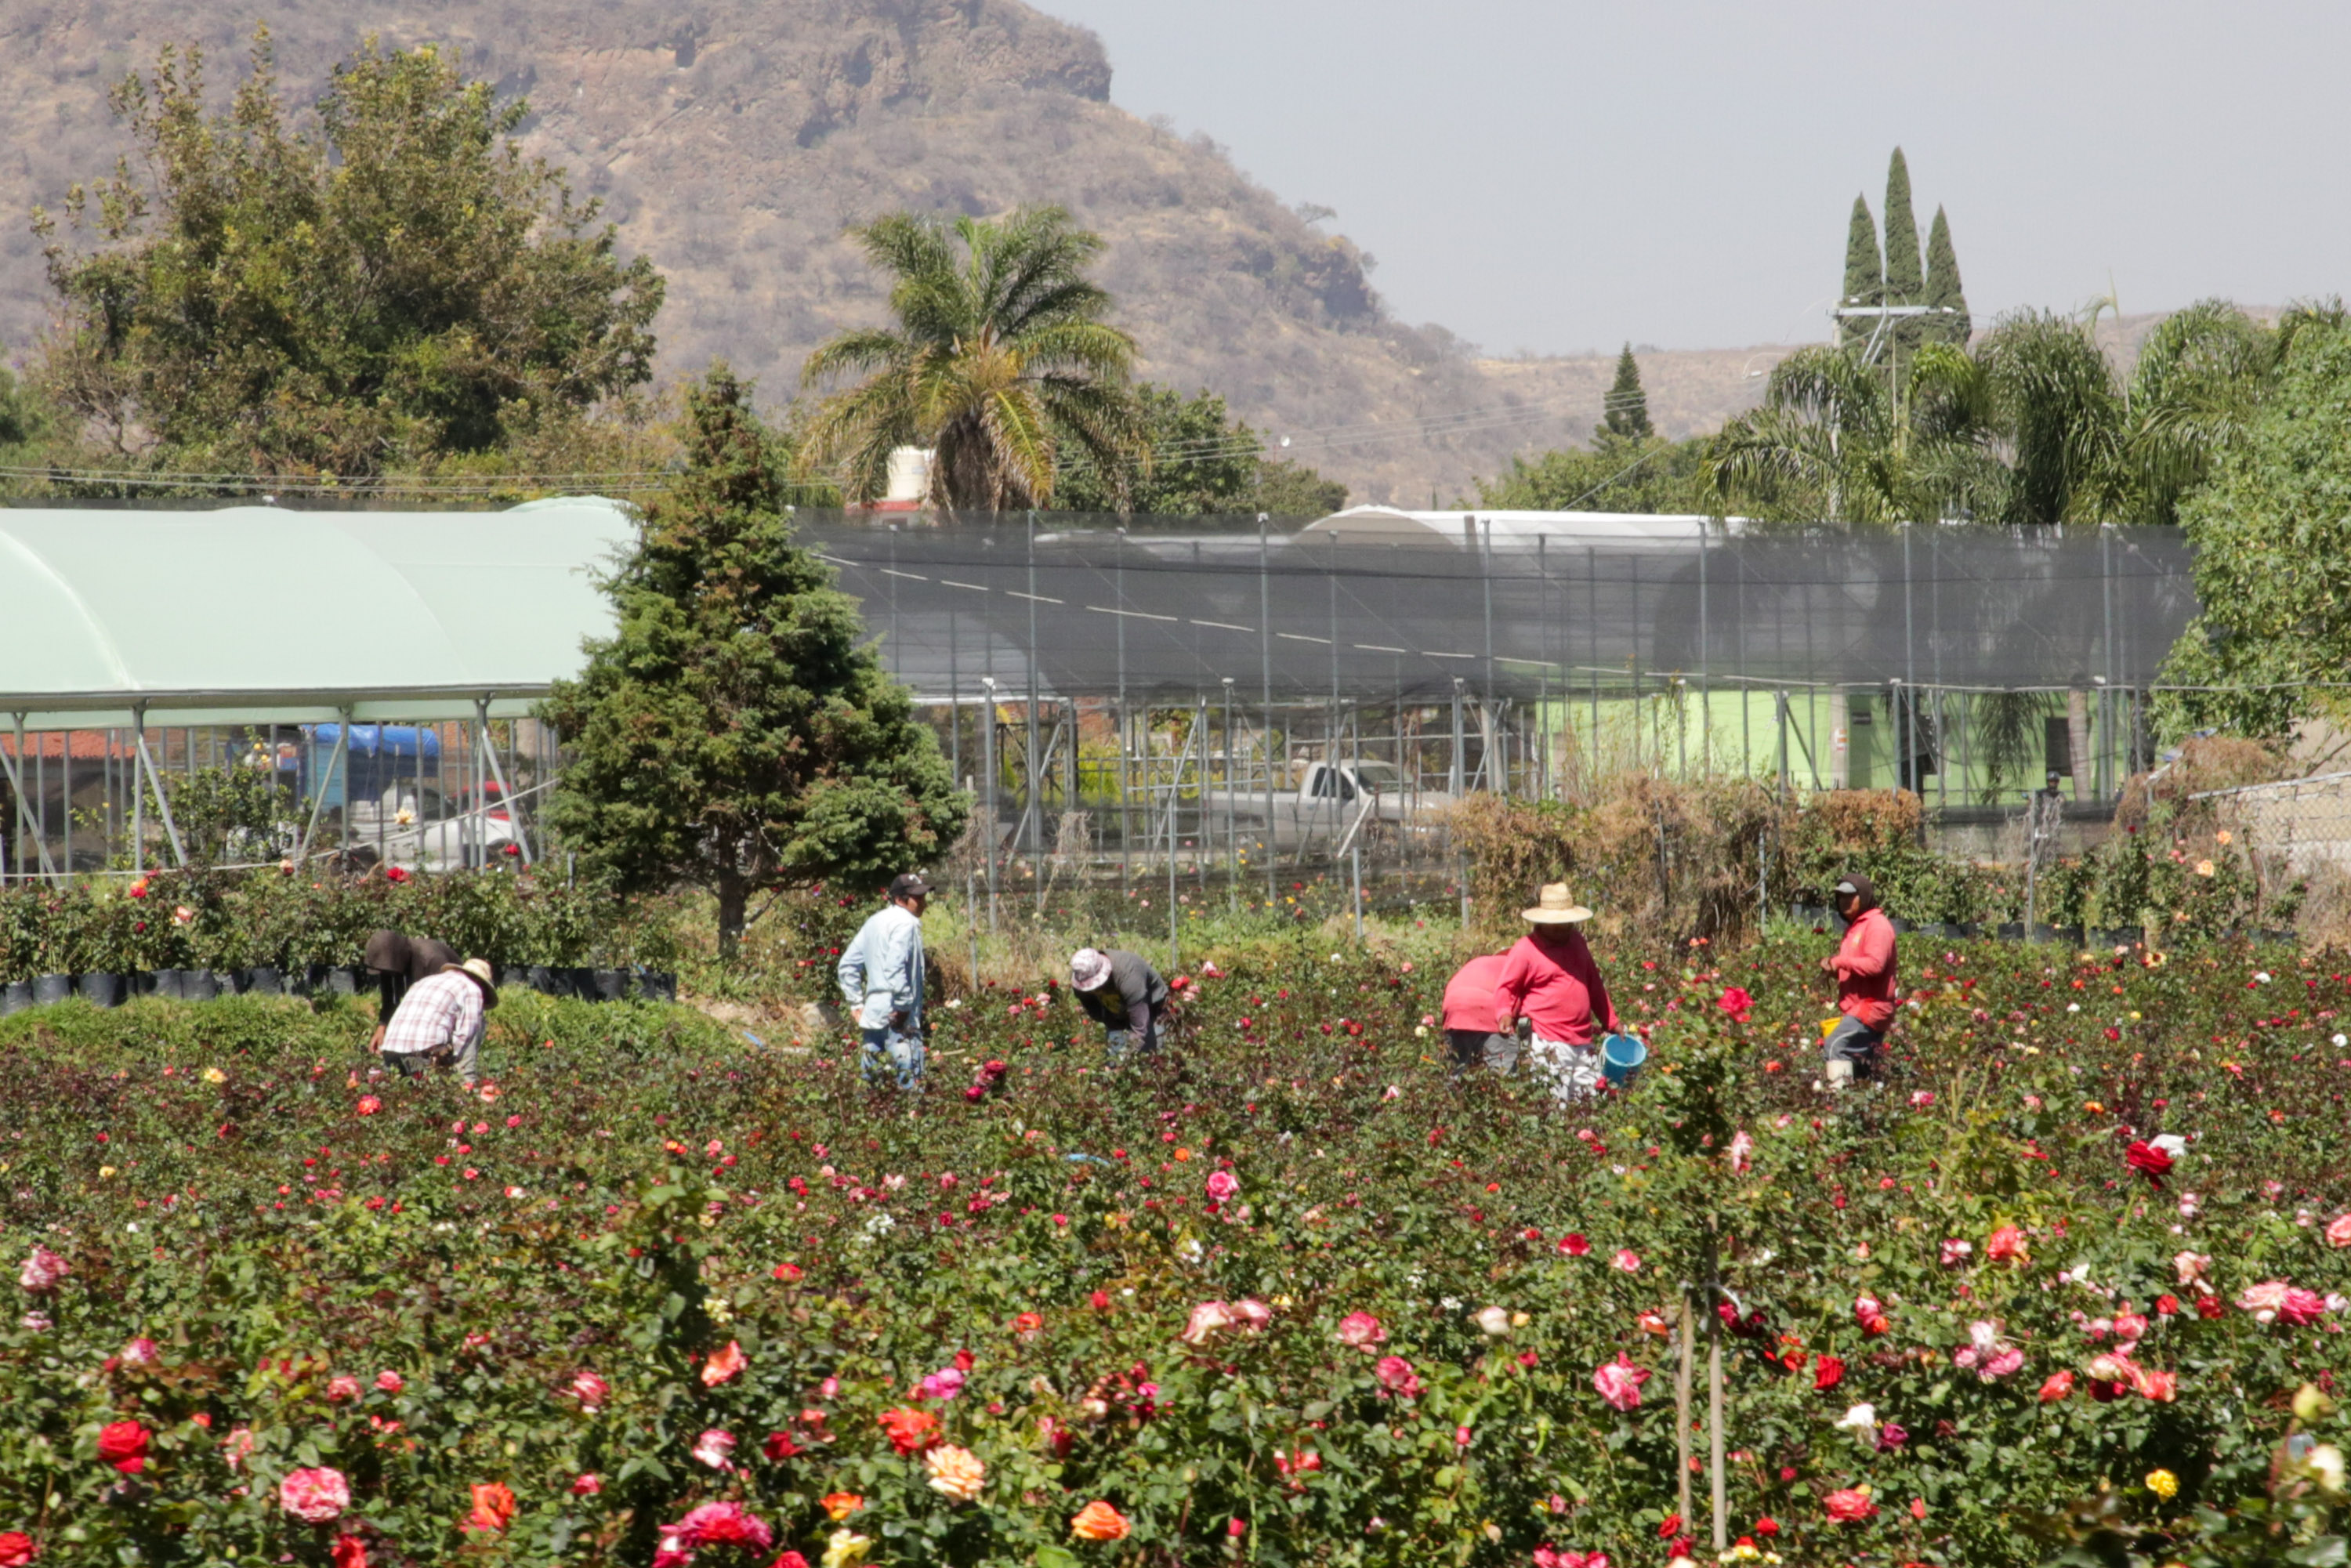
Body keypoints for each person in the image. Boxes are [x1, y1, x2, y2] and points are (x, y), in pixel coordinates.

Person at [1493, 883, 1622, 1101]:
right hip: (1548, 1040)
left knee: (1590, 1101)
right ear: (1541, 923)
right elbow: (1507, 986)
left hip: (1583, 1039)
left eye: (1565, 924)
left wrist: (1611, 1021)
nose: (1562, 929)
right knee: (1555, 1104)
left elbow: (1594, 984)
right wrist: (1504, 1012)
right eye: (1556, 926)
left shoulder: (1577, 942)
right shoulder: (1526, 949)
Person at [839, 873, 929, 1089]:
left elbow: (847, 964)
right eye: (917, 897)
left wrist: (856, 1002)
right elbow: (895, 966)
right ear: (900, 899)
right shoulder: (906, 923)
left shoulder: (875, 921)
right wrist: (904, 1005)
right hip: (899, 1016)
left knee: (870, 1086)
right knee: (911, 1084)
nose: (923, 903)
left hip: (873, 1014)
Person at [1821, 872, 1898, 1085]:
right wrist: (1833, 968)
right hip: (1859, 1007)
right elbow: (1856, 964)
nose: (1844, 901)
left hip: (1870, 1007)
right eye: (1840, 897)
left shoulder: (1877, 925)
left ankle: (1839, 1106)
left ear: (1863, 896)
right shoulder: (1856, 926)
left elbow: (1875, 965)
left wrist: (1840, 962)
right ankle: (1866, 1103)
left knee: (1836, 1046)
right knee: (1863, 1065)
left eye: (1850, 896)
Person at [378, 958, 498, 1088]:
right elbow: (467, 1032)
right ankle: (465, 1092)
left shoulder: (425, 981)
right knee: (430, 1098)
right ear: (480, 981)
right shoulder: (473, 988)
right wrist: (451, 1060)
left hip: (390, 1048)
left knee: (402, 1099)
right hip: (422, 1053)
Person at [364, 929, 458, 1053]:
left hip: (451, 1003)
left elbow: (447, 1000)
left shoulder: (431, 958)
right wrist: (382, 1028)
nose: (388, 974)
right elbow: (389, 998)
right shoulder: (390, 962)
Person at [1070, 947, 1172, 1061]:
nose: (1095, 989)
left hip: (1151, 1011)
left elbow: (1140, 1028)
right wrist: (1111, 1022)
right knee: (1113, 1060)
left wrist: (1124, 1059)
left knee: (1151, 1059)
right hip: (1118, 1016)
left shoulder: (1128, 973)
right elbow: (1093, 1008)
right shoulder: (1081, 974)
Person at [1441, 950, 1516, 1077]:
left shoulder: (1479, 962)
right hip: (1486, 1006)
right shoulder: (1513, 968)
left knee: (1458, 1068)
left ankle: (1454, 1088)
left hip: (1454, 1007)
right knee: (1502, 1072)